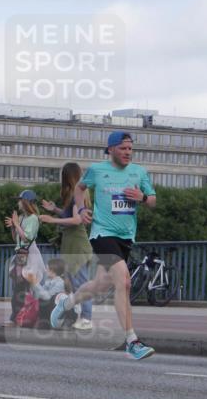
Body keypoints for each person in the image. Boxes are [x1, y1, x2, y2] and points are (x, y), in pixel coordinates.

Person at [49, 131, 157, 360]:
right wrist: (81, 210)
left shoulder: (139, 172)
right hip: (102, 234)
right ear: (111, 149)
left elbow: (153, 201)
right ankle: (132, 341)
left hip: (126, 237)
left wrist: (143, 198)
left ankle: (65, 303)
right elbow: (79, 189)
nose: (128, 152)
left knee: (99, 284)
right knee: (124, 281)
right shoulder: (97, 170)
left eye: (130, 148)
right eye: (123, 148)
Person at [41, 162, 95, 331]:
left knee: (81, 284)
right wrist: (55, 209)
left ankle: (86, 318)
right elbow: (71, 215)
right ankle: (79, 317)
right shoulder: (77, 195)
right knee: (75, 284)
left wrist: (52, 220)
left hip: (77, 245)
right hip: (73, 245)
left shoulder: (76, 196)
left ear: (67, 177)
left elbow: (77, 220)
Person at [5, 190, 41, 324]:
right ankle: (17, 315)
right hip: (21, 253)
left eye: (20, 200)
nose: (18, 203)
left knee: (24, 285)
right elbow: (16, 238)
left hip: (29, 254)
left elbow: (26, 237)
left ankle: (19, 315)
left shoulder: (33, 218)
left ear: (26, 202)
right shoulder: (21, 218)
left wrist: (16, 224)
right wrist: (13, 227)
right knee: (18, 285)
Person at [24, 258, 68, 329]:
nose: (45, 270)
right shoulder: (48, 281)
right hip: (50, 308)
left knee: (45, 300)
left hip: (57, 312)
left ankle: (50, 322)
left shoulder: (60, 283)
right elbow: (39, 294)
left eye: (47, 269)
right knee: (38, 299)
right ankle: (44, 321)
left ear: (53, 271)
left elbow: (47, 296)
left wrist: (35, 283)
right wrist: (32, 283)